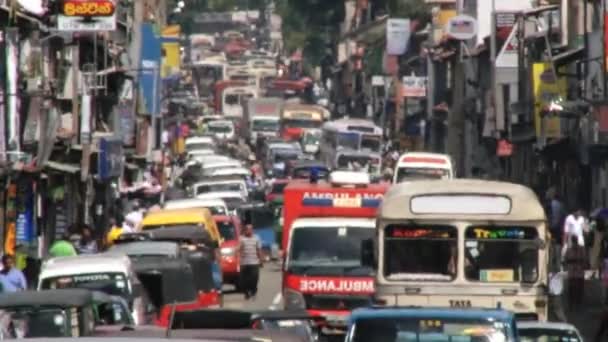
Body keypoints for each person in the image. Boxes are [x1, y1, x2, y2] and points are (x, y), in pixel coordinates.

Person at [239, 223, 263, 300]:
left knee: (254, 278)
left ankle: (253, 291)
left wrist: (261, 260)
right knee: (244, 280)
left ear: (252, 230)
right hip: (245, 263)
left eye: (250, 229)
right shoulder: (241, 238)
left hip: (254, 262)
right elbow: (240, 249)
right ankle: (246, 293)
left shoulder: (257, 238)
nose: (248, 231)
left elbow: (259, 250)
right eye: (247, 229)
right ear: (245, 230)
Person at [564, 235, 587, 310]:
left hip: (576, 272)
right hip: (576, 273)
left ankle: (576, 303)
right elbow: (566, 260)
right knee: (574, 289)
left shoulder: (573, 249)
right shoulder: (572, 249)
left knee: (576, 289)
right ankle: (574, 304)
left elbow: (566, 260)